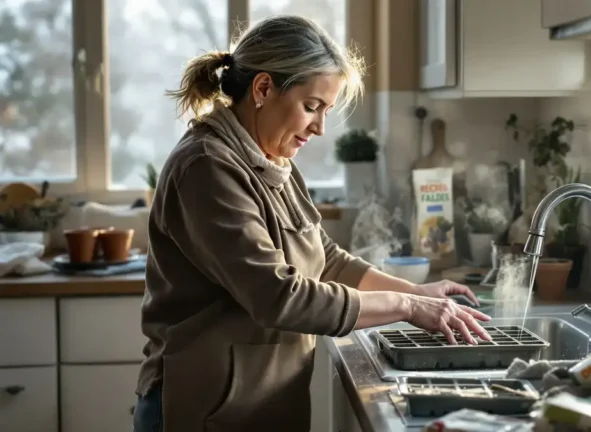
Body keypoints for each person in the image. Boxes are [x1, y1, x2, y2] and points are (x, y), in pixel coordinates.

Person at [132, 15, 492, 432]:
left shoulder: (270, 158)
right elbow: (278, 296)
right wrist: (408, 307)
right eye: (311, 107)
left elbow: (327, 259)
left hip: (254, 401)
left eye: (326, 111)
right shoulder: (207, 166)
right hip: (201, 405)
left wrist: (415, 292)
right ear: (263, 89)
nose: (319, 128)